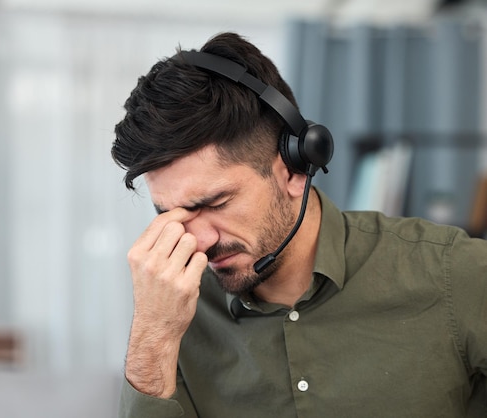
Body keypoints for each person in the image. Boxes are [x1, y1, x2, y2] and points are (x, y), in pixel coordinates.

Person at [111, 32, 487, 418]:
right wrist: (154, 334)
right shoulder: (173, 313)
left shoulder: (454, 273)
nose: (199, 241)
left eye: (216, 203)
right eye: (170, 215)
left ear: (295, 168)